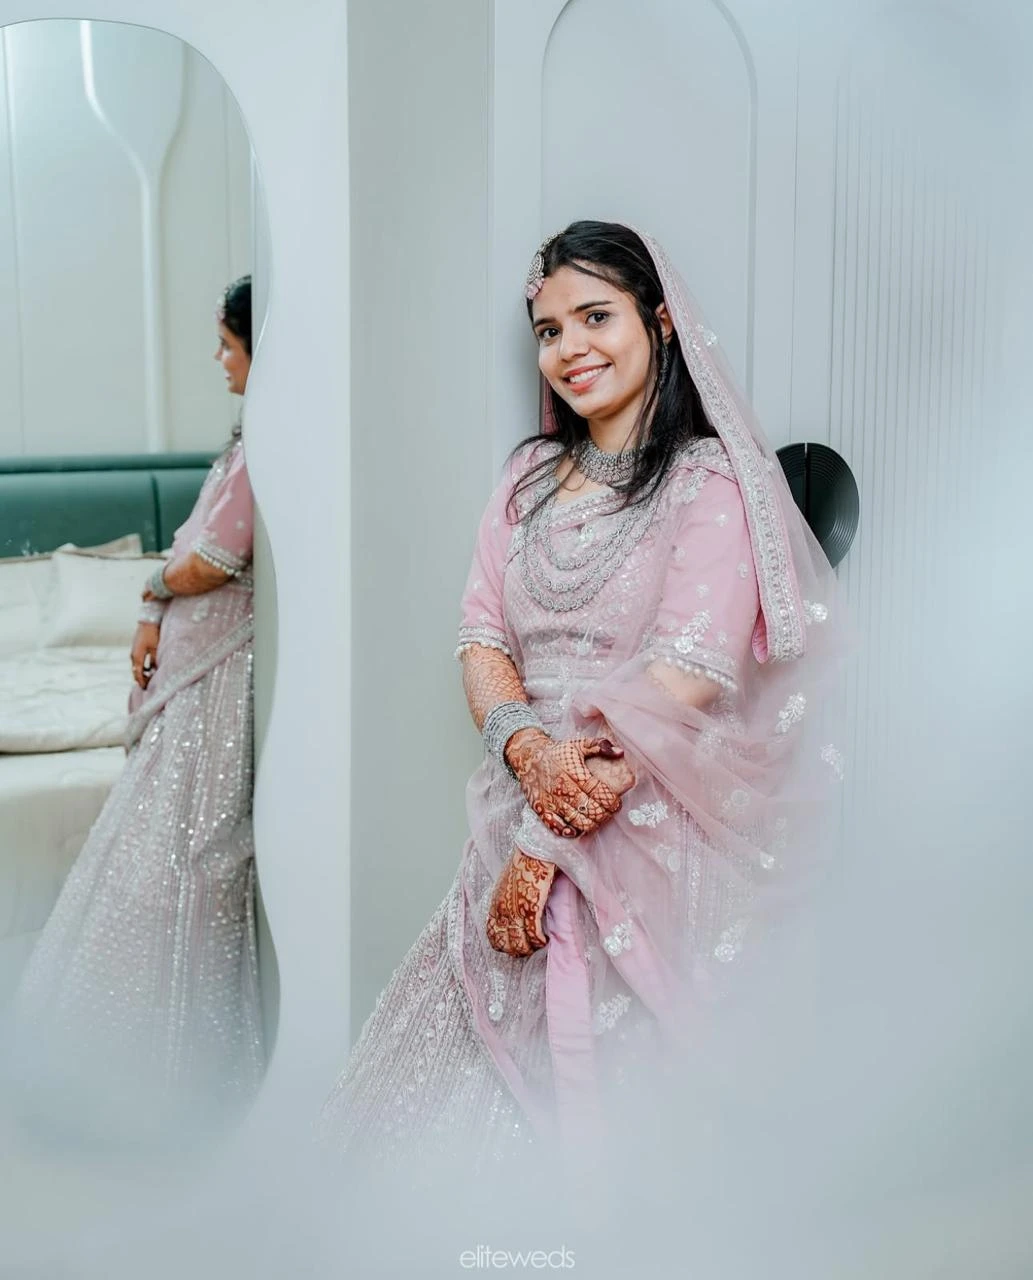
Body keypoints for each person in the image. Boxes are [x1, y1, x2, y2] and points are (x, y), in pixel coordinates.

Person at [320, 223, 845, 1163]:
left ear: (660, 322)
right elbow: (480, 635)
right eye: (549, 329)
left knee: (607, 1109)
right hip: (529, 792)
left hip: (645, 818)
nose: (570, 349)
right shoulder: (525, 477)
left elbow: (682, 676)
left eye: (595, 316)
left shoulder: (710, 483)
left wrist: (544, 839)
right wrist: (529, 756)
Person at [8, 276, 263, 1144]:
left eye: (226, 343)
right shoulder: (245, 443)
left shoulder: (266, 446)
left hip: (209, 690)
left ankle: (165, 1072)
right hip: (185, 675)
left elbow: (217, 558)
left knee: (180, 865)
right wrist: (155, 607)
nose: (217, 359)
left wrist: (151, 584)